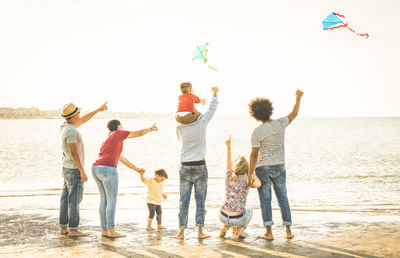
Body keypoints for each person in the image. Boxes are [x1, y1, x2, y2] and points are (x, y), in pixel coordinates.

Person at [248, 89, 304, 240]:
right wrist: (298, 98)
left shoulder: (257, 132)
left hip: (262, 168)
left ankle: (269, 233)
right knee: (283, 198)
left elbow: (254, 155)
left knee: (265, 200)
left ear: (255, 114)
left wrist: (250, 174)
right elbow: (294, 113)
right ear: (269, 110)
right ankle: (288, 231)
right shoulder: (280, 123)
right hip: (280, 166)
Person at [92, 119, 157, 238]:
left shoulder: (109, 139)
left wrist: (137, 169)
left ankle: (104, 230)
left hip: (96, 168)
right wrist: (150, 129)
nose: (123, 127)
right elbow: (138, 133)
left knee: (104, 201)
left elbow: (121, 158)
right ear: (118, 126)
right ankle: (111, 230)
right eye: (121, 125)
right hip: (108, 169)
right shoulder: (119, 133)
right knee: (111, 201)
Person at [173, 86, 219, 240]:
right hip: (200, 165)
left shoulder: (179, 125)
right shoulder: (202, 122)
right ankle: (200, 232)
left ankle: (181, 232)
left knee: (183, 200)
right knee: (200, 200)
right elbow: (211, 110)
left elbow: (179, 139)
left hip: (185, 165)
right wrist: (214, 94)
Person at [59, 102, 108, 237]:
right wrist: (82, 171)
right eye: (78, 113)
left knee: (65, 197)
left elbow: (82, 120)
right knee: (74, 199)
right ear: (74, 115)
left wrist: (97, 109)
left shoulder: (65, 127)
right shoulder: (72, 131)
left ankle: (64, 228)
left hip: (66, 167)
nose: (80, 114)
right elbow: (74, 153)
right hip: (74, 169)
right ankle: (74, 229)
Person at [219, 135, 253, 239]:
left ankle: (226, 226)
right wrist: (251, 171)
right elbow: (258, 184)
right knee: (249, 210)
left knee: (233, 207)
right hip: (237, 219)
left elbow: (228, 163)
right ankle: (241, 230)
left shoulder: (229, 176)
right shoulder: (248, 180)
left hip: (222, 216)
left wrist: (228, 147)